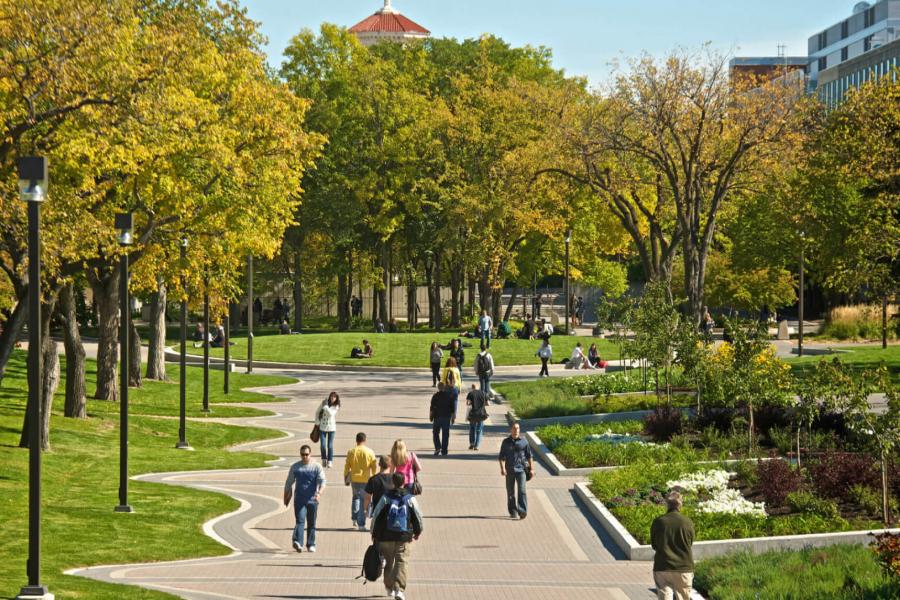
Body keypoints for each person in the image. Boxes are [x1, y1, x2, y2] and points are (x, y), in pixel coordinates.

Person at [371, 472, 424, 600]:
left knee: (389, 563)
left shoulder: (385, 497)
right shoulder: (410, 498)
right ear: (404, 481)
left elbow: (376, 515)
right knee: (402, 562)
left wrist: (374, 533)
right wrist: (418, 531)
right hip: (404, 536)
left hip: (386, 536)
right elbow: (418, 516)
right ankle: (399, 589)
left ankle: (389, 587)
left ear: (393, 482)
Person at [650, 490, 695, 600]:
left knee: (665, 596)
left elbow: (654, 544)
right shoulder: (687, 522)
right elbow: (690, 543)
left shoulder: (659, 522)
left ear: (667, 504)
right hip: (683, 566)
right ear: (680, 504)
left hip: (663, 566)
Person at [283, 444, 325, 553]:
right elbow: (288, 483)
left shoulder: (316, 467)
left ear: (310, 454)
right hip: (299, 500)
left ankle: (311, 544)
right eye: (302, 454)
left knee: (311, 523)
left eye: (307, 454)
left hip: (313, 500)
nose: (304, 457)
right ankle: (298, 542)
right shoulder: (296, 467)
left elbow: (322, 482)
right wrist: (286, 496)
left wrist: (319, 493)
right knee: (300, 521)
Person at [499, 422, 533, 519]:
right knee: (510, 492)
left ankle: (522, 511)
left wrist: (532, 469)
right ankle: (513, 511)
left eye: (517, 428)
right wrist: (502, 469)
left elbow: (529, 456)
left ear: (519, 430)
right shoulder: (505, 442)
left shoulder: (524, 442)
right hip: (509, 470)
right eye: (514, 428)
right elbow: (501, 457)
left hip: (521, 470)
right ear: (511, 430)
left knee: (522, 490)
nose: (516, 430)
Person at [344, 432, 377, 531]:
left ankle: (354, 517)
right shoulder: (370, 452)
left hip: (354, 478)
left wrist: (345, 477)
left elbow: (347, 466)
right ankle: (361, 523)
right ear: (365, 440)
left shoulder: (351, 451)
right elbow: (374, 466)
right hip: (366, 479)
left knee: (355, 497)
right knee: (363, 501)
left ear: (356, 440)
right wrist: (374, 476)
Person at [364, 455, 393, 521]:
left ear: (379, 464)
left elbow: (367, 497)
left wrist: (365, 509)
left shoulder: (373, 479)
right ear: (390, 465)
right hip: (391, 510)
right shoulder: (394, 478)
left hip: (377, 511)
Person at [430, 382, 456, 456]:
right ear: (444, 387)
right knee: (445, 434)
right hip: (446, 418)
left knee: (435, 433)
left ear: (438, 387)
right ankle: (444, 451)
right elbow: (453, 409)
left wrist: (430, 417)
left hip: (437, 417)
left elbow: (431, 408)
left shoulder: (435, 396)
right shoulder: (450, 396)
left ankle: (437, 447)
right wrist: (453, 418)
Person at [316, 392, 340, 468]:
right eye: (332, 397)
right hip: (322, 427)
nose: (333, 398)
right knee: (323, 445)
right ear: (329, 397)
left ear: (336, 398)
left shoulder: (336, 406)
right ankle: (323, 459)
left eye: (334, 397)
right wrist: (317, 422)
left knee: (330, 445)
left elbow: (330, 414)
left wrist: (325, 406)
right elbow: (317, 412)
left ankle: (330, 461)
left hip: (331, 428)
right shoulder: (324, 403)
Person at [466, 384, 489, 451]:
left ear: (472, 388)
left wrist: (472, 403)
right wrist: (482, 404)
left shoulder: (470, 393)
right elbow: (488, 403)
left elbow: (468, 403)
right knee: (479, 430)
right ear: (478, 387)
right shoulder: (483, 393)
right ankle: (476, 446)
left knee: (472, 429)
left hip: (473, 414)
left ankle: (472, 443)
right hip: (481, 414)